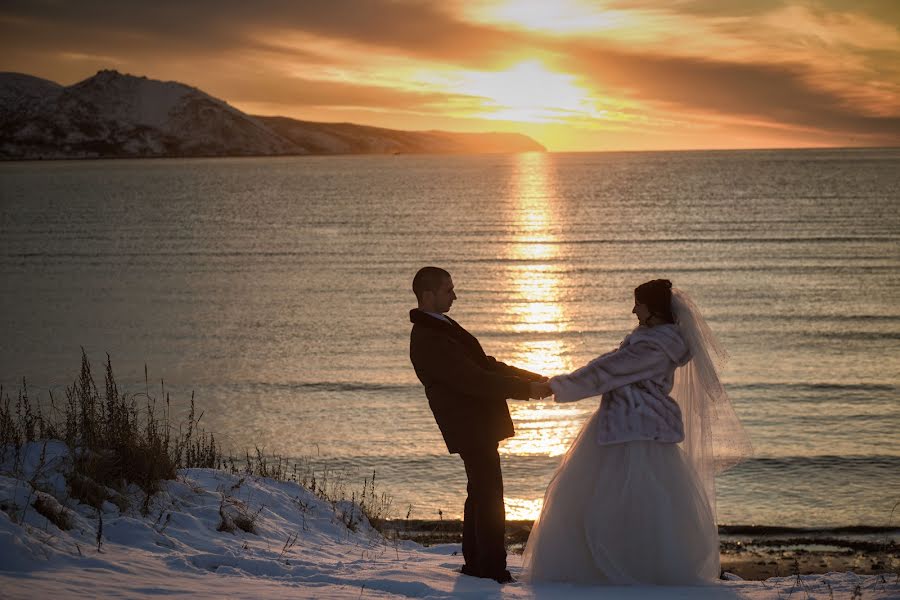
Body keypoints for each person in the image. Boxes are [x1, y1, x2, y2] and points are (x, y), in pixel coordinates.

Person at [522, 279, 751, 585]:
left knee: (631, 501)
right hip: (625, 423)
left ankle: (635, 567)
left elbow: (609, 371)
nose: (633, 309)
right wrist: (556, 381)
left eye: (638, 304)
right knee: (614, 499)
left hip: (637, 428)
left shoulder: (655, 346)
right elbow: (609, 363)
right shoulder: (649, 339)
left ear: (652, 308)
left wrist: (558, 385)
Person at [408, 266, 550, 584]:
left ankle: (476, 564)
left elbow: (486, 364)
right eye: (448, 290)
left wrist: (534, 378)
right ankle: (490, 568)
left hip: (477, 423)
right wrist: (526, 390)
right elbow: (474, 380)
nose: (455, 295)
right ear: (428, 295)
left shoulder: (441, 327)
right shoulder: (429, 337)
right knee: (489, 495)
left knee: (480, 492)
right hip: (468, 425)